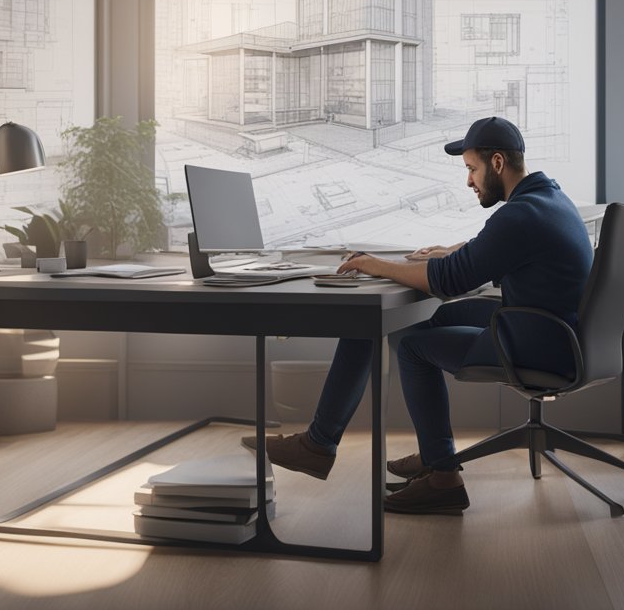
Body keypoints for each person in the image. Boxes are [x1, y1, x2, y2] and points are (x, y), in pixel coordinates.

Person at [247, 116, 594, 515]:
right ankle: (336, 444)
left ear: (497, 163)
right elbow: (503, 251)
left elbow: (448, 281)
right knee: (401, 323)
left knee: (412, 346)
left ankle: (442, 475)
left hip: (535, 345)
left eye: (471, 169)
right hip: (547, 329)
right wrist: (458, 250)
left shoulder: (520, 216)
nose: (469, 181)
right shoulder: (548, 199)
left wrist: (378, 266)